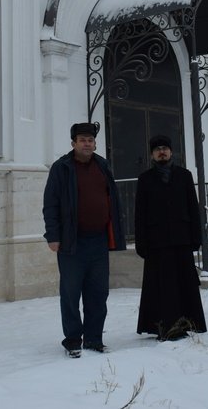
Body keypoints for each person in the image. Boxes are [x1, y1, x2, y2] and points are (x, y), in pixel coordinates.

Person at [42, 122, 126, 358]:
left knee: (98, 293)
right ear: (73, 143)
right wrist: (53, 235)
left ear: (95, 143)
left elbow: (111, 198)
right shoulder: (62, 168)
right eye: (82, 140)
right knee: (71, 293)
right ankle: (72, 340)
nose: (87, 144)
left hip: (99, 240)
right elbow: (51, 203)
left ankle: (93, 338)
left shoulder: (102, 165)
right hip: (72, 241)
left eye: (90, 140)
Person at [134, 134, 207, 341]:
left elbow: (193, 208)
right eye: (157, 149)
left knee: (184, 284)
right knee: (161, 287)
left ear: (171, 152)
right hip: (157, 242)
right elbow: (140, 213)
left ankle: (188, 323)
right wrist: (141, 243)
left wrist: (196, 237)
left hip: (181, 239)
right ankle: (164, 327)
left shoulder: (184, 176)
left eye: (165, 148)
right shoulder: (145, 179)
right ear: (152, 155)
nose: (162, 152)